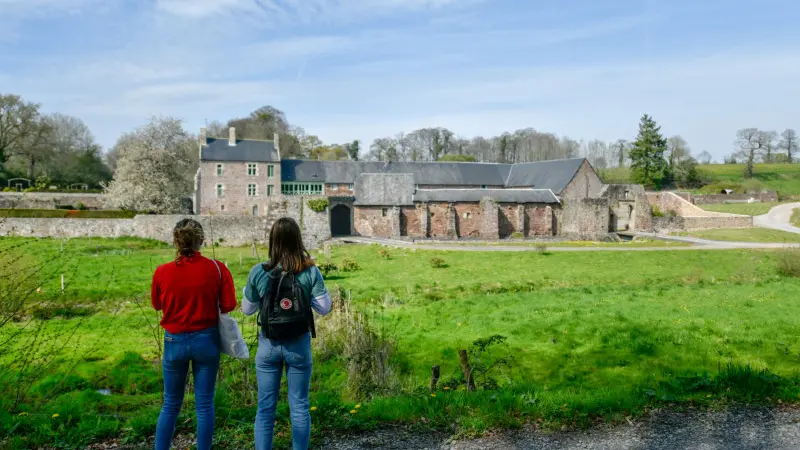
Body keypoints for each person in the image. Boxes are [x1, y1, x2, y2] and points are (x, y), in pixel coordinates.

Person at [243, 217, 332, 450]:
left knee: (265, 408)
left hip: (268, 345)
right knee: (300, 406)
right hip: (298, 345)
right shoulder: (310, 271)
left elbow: (247, 309)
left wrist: (252, 291)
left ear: (272, 241)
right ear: (297, 240)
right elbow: (324, 308)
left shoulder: (259, 271)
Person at [151, 219, 236, 450]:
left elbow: (157, 305)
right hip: (206, 338)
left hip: (174, 339)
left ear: (175, 240)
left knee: (170, 404)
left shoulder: (162, 271)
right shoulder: (217, 268)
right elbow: (229, 304)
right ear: (202, 240)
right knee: (205, 405)